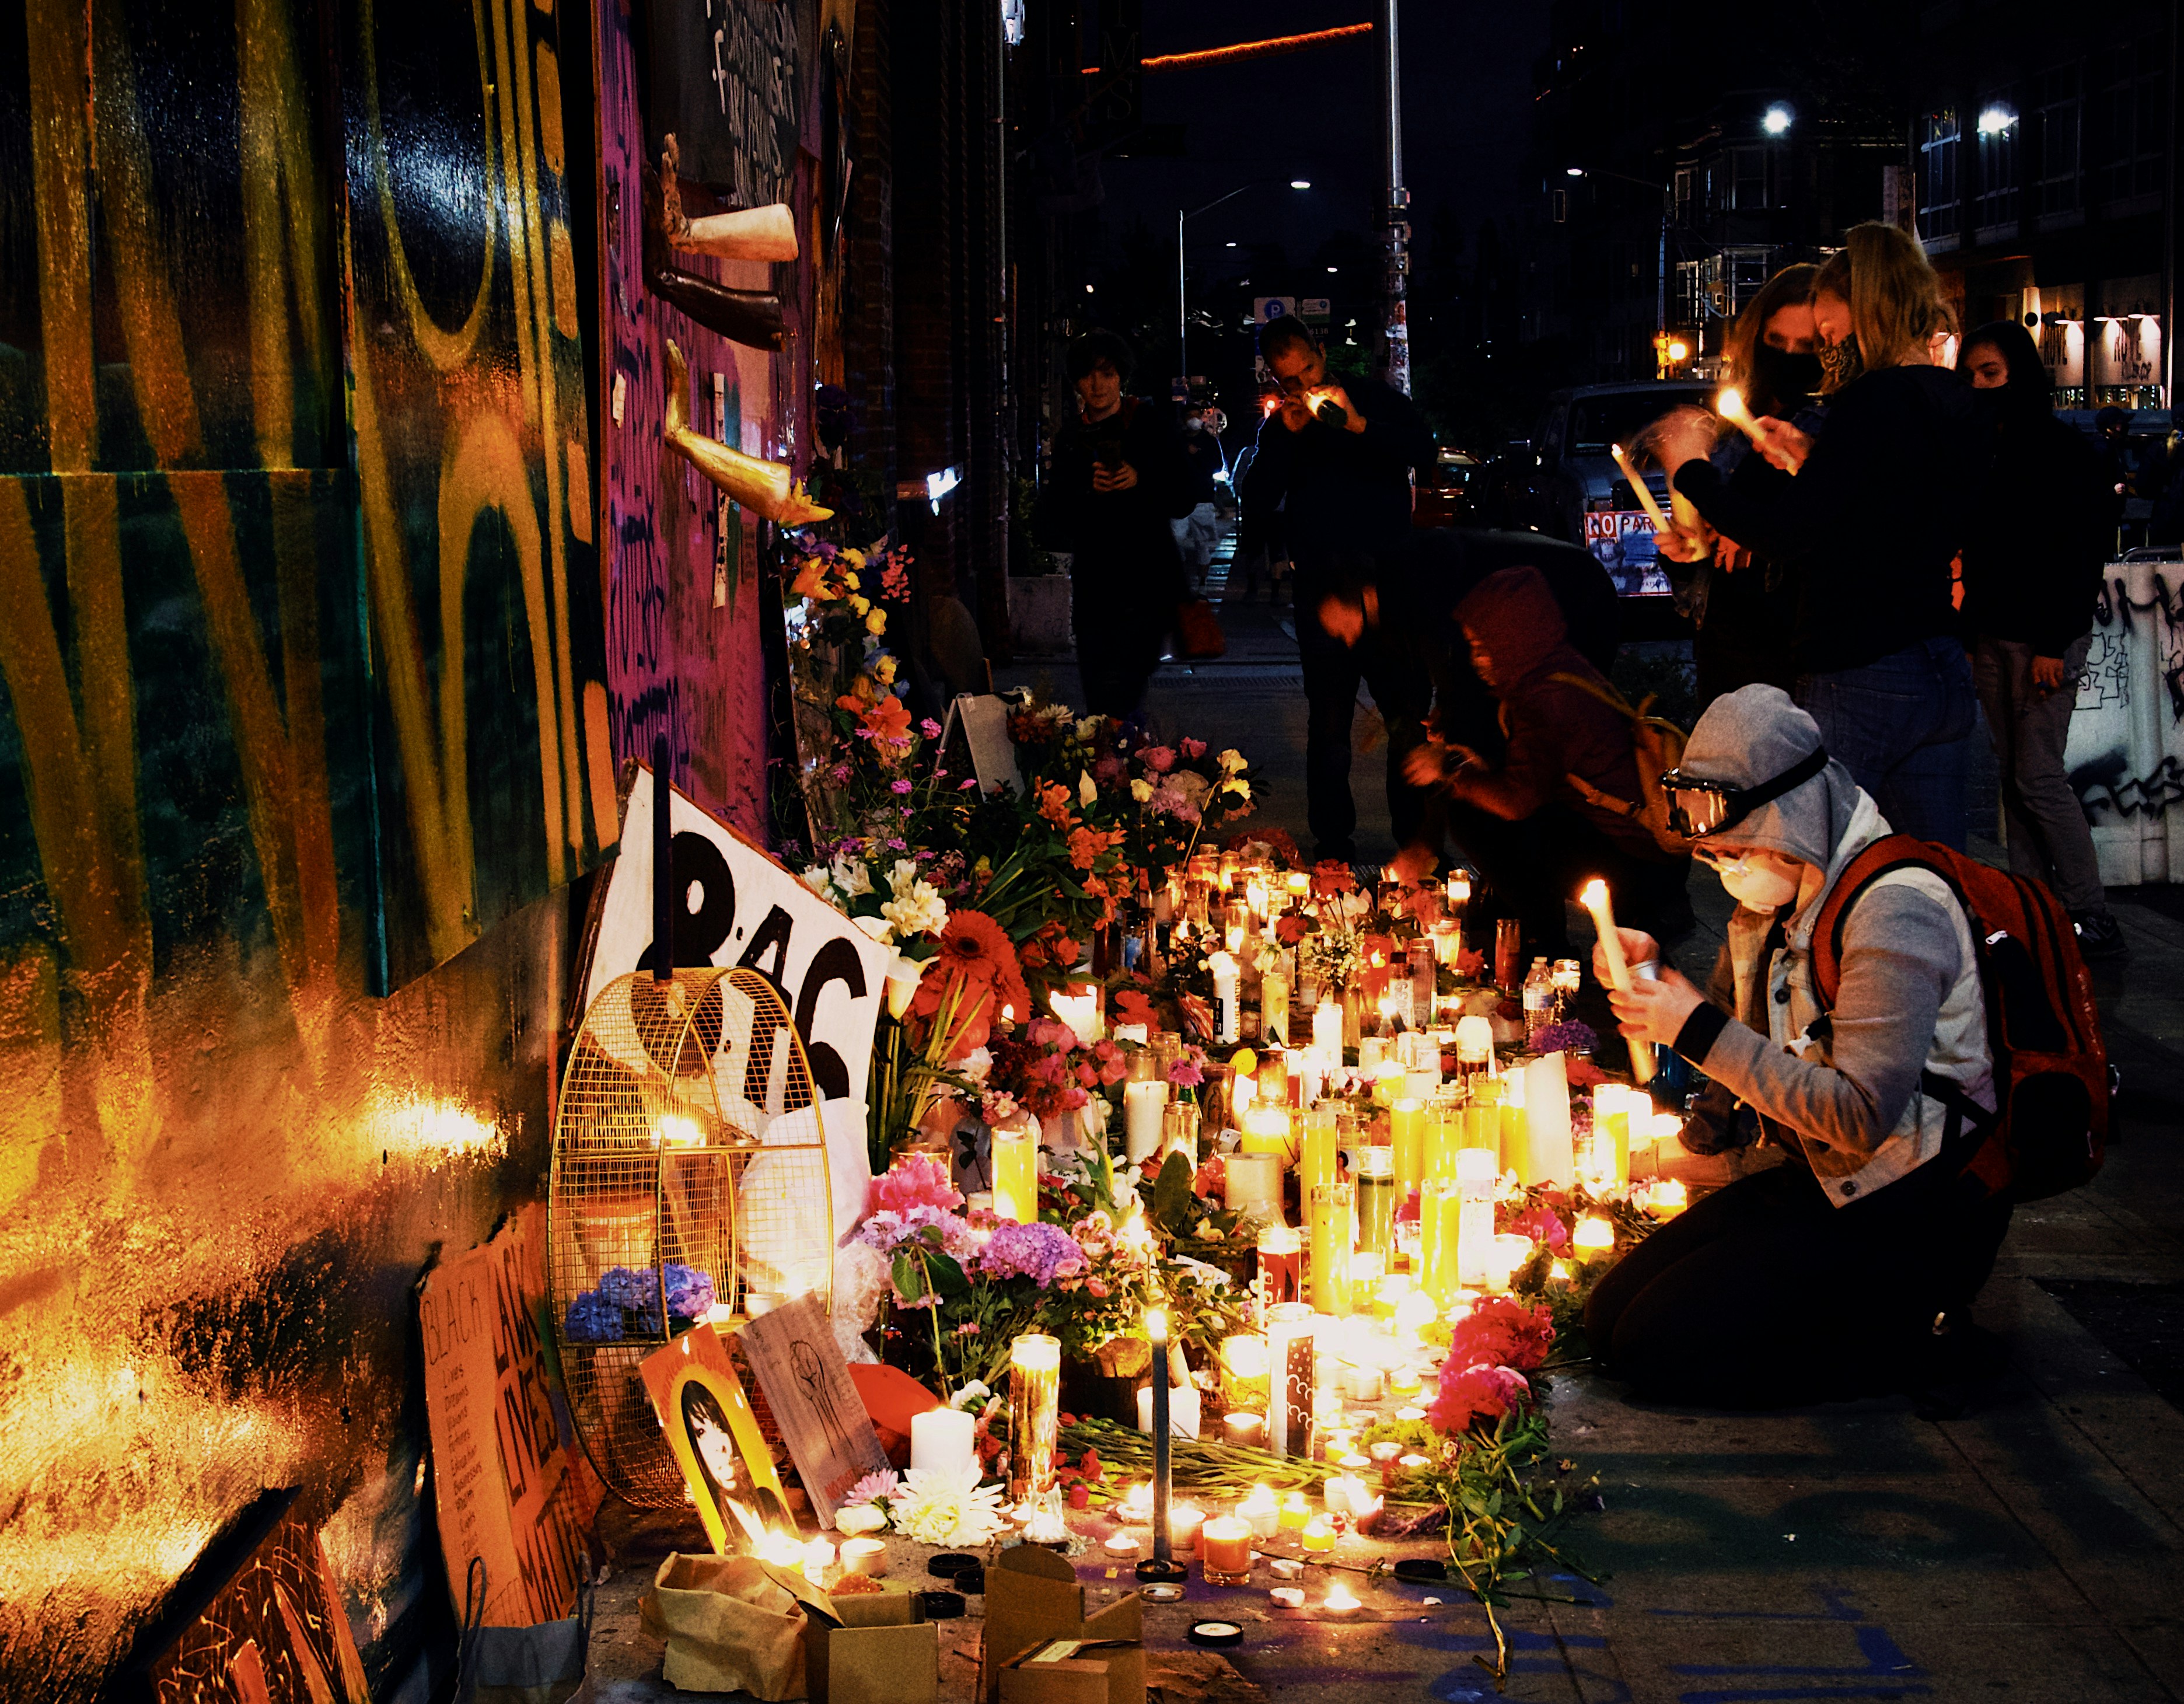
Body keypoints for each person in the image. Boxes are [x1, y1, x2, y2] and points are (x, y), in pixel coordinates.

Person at [1584, 685, 2012, 1406]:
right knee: (1606, 1321)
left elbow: (1858, 1114)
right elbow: (1732, 1029)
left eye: (1736, 849)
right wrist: (1654, 976)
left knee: (1655, 1350)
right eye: (1712, 855)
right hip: (1822, 1177)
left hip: (1911, 1206)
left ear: (1795, 817)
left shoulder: (1895, 908)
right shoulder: (1784, 899)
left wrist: (1689, 1026)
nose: (1725, 869)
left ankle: (1913, 1333)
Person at [1654, 224, 1983, 849]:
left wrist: (1690, 469)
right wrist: (1811, 460)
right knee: (1932, 865)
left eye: (1830, 336)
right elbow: (1891, 504)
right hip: (1936, 660)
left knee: (1821, 859)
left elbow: (1785, 533)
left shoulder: (1873, 398)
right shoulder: (1952, 397)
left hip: (1859, 664)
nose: (1827, 355)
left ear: (1865, 311)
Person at [1397, 566, 1687, 955]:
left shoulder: (1547, 699)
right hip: (1633, 848)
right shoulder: (1550, 669)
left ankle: (1543, 947)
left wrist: (1450, 772)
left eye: (1484, 647)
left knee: (1477, 819)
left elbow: (1517, 802)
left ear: (1512, 639)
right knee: (1486, 808)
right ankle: (1516, 923)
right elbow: (1535, 774)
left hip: (1635, 860)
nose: (1477, 659)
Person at [1242, 317, 1436, 863]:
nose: (1302, 385)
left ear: (1322, 355)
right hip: (1322, 592)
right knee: (1328, 723)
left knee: (1407, 717)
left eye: (1307, 369)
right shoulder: (1284, 425)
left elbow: (1423, 449)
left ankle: (1415, 839)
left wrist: (1357, 425)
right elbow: (1255, 498)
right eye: (1288, 379)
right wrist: (1285, 435)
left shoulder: (1374, 398)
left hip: (1392, 588)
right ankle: (1332, 842)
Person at [1957, 322, 2123, 958]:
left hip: (2043, 641)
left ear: (2019, 375)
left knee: (2036, 777)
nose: (1976, 386)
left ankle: (2087, 910)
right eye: (1968, 374)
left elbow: (2078, 555)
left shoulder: (2059, 452)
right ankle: (2034, 907)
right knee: (2014, 777)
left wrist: (2054, 641)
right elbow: (1979, 549)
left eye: (1990, 373)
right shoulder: (1981, 450)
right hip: (1994, 634)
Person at [1661, 264, 1817, 704]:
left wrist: (1691, 470)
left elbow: (1784, 534)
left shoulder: (1824, 433)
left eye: (1806, 346)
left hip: (1790, 661)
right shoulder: (1731, 434)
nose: (1788, 356)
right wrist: (1684, 551)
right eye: (1775, 341)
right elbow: (1703, 567)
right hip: (1725, 650)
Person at [1033, 330, 1194, 723]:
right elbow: (1051, 519)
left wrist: (1141, 480)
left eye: (1106, 374)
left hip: (1145, 586)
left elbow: (1184, 496)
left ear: (1121, 376)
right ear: (1076, 383)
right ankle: (1116, 773)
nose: (1097, 385)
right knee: (1098, 702)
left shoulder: (1150, 424)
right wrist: (1087, 493)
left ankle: (1128, 769)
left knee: (1123, 695)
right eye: (1088, 376)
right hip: (1095, 589)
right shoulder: (1071, 438)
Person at [1173, 410, 1225, 584]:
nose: (1194, 419)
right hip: (1179, 499)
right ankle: (1182, 579)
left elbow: (1218, 466)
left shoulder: (1209, 441)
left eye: (1197, 415)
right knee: (1176, 540)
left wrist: (1198, 455)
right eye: (1190, 415)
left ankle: (1202, 585)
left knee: (1202, 543)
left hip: (1202, 499)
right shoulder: (1177, 440)